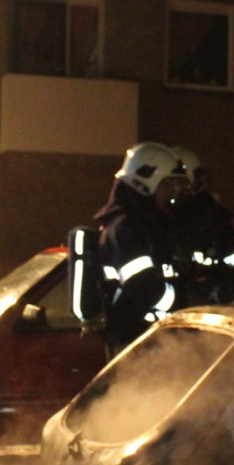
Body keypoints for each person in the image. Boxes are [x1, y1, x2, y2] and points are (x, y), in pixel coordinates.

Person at [92, 142, 190, 356]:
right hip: (134, 343)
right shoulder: (124, 229)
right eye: (166, 184)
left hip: (152, 339)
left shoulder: (147, 225)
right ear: (145, 182)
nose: (171, 192)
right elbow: (142, 288)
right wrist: (184, 301)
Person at [168, 146, 234, 305]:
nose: (174, 187)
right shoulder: (159, 217)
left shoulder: (214, 219)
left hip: (207, 308)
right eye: (169, 181)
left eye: (178, 181)